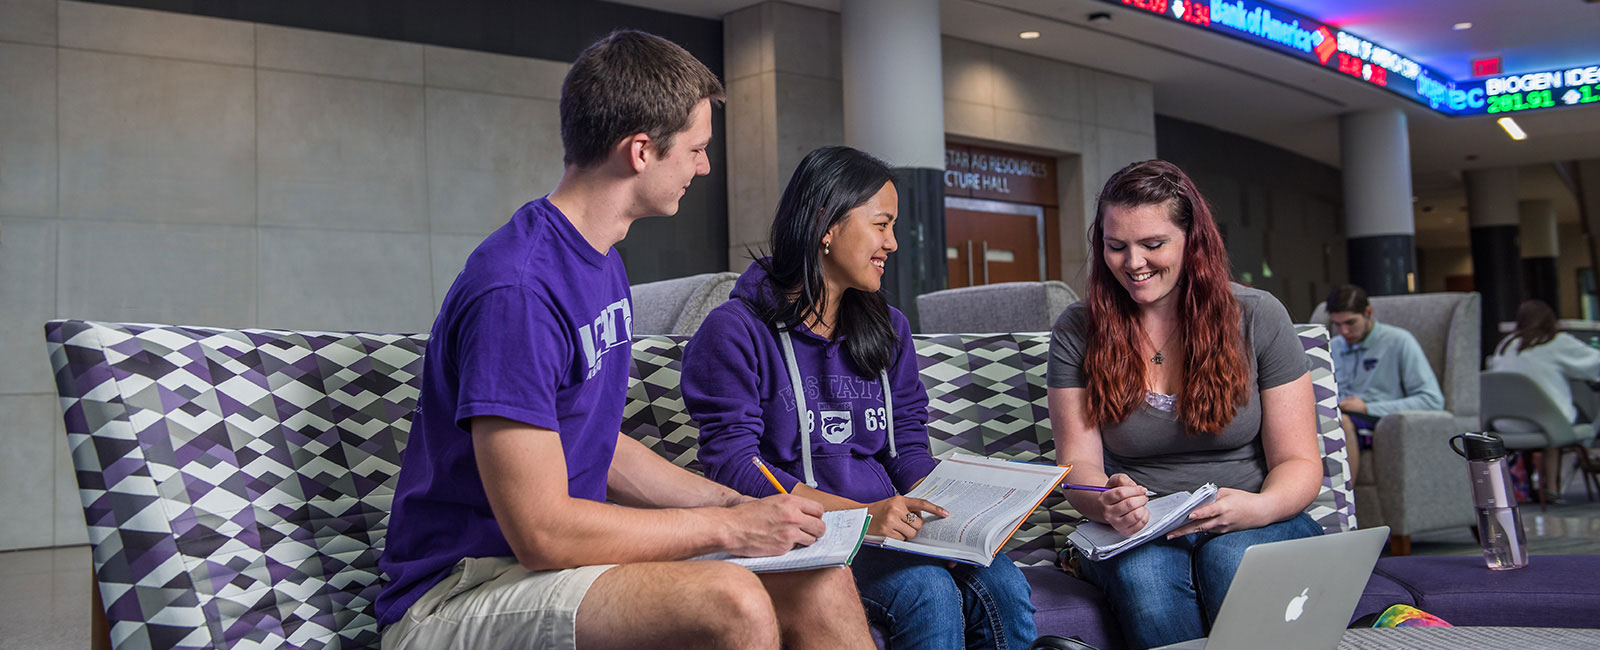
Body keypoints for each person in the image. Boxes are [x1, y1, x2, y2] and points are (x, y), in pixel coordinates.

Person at [376, 31, 874, 650]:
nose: (704, 166)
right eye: (696, 148)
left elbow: (594, 444)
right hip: (460, 590)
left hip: (553, 572)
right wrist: (728, 530)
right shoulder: (519, 290)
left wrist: (731, 504)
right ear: (641, 150)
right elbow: (543, 533)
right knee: (734, 601)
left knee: (818, 578)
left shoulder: (601, 260)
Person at [681, 145, 1039, 650]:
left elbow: (907, 449)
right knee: (927, 591)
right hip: (803, 535)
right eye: (881, 224)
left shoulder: (888, 328)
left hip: (884, 526)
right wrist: (861, 515)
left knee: (1002, 579)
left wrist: (965, 512)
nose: (893, 243)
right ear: (826, 224)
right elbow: (735, 466)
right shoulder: (734, 331)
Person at [1048, 160, 1324, 650]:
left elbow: (1299, 462)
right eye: (1116, 246)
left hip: (1256, 514)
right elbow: (1080, 466)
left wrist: (1259, 508)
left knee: (1229, 559)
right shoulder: (1078, 329)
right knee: (1145, 579)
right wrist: (1106, 503)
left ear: (1192, 241)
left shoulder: (1258, 316)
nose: (1133, 263)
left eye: (1153, 245)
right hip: (1141, 530)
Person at [1325, 284, 1444, 478]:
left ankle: (1342, 507)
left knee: (1341, 424)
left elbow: (1432, 401)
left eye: (1350, 323)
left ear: (1368, 313)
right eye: (1337, 325)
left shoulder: (1399, 341)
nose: (1344, 331)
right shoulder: (1332, 346)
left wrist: (1367, 408)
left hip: (1375, 420)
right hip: (1334, 413)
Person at [1487, 299, 1600, 501]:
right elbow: (1594, 363)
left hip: (1505, 426)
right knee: (1564, 415)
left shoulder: (1506, 344)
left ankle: (1530, 485)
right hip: (1546, 425)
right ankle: (1552, 489)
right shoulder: (1556, 341)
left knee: (1547, 413)